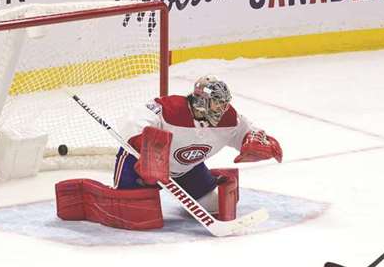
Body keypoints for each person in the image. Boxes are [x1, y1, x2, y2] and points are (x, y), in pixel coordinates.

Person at [113, 75, 283, 216]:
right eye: (217, 102)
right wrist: (144, 148)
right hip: (140, 165)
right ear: (201, 101)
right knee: (136, 215)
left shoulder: (229, 119)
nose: (223, 108)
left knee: (213, 207)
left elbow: (249, 131)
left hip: (187, 168)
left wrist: (255, 142)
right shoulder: (171, 109)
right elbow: (134, 119)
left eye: (224, 103)